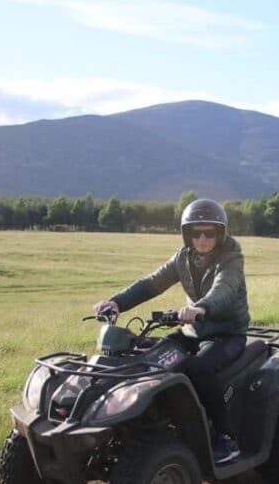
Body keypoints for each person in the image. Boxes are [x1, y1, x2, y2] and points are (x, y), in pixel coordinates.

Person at [93, 199, 250, 464]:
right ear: (186, 234)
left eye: (209, 232)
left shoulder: (231, 257)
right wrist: (116, 302)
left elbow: (224, 289)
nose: (201, 238)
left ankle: (225, 437)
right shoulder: (183, 258)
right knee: (153, 357)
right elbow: (152, 283)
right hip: (193, 331)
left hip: (227, 334)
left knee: (199, 368)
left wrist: (200, 308)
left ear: (220, 233)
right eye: (195, 232)